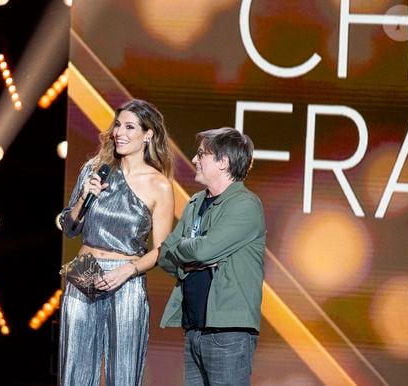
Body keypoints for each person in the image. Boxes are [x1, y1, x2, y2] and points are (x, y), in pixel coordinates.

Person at [58, 99, 175, 386]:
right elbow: (70, 227)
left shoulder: (159, 185)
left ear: (148, 135)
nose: (119, 132)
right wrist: (85, 195)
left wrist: (128, 270)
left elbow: (162, 250)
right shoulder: (95, 170)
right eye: (118, 125)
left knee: (122, 373)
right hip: (84, 270)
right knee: (75, 370)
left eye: (129, 127)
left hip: (126, 279)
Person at [158, 127, 266, 386]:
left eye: (201, 155)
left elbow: (204, 250)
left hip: (228, 333)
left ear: (223, 162)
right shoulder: (196, 202)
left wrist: (192, 252)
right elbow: (165, 253)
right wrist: (194, 260)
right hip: (194, 328)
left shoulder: (245, 205)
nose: (194, 160)